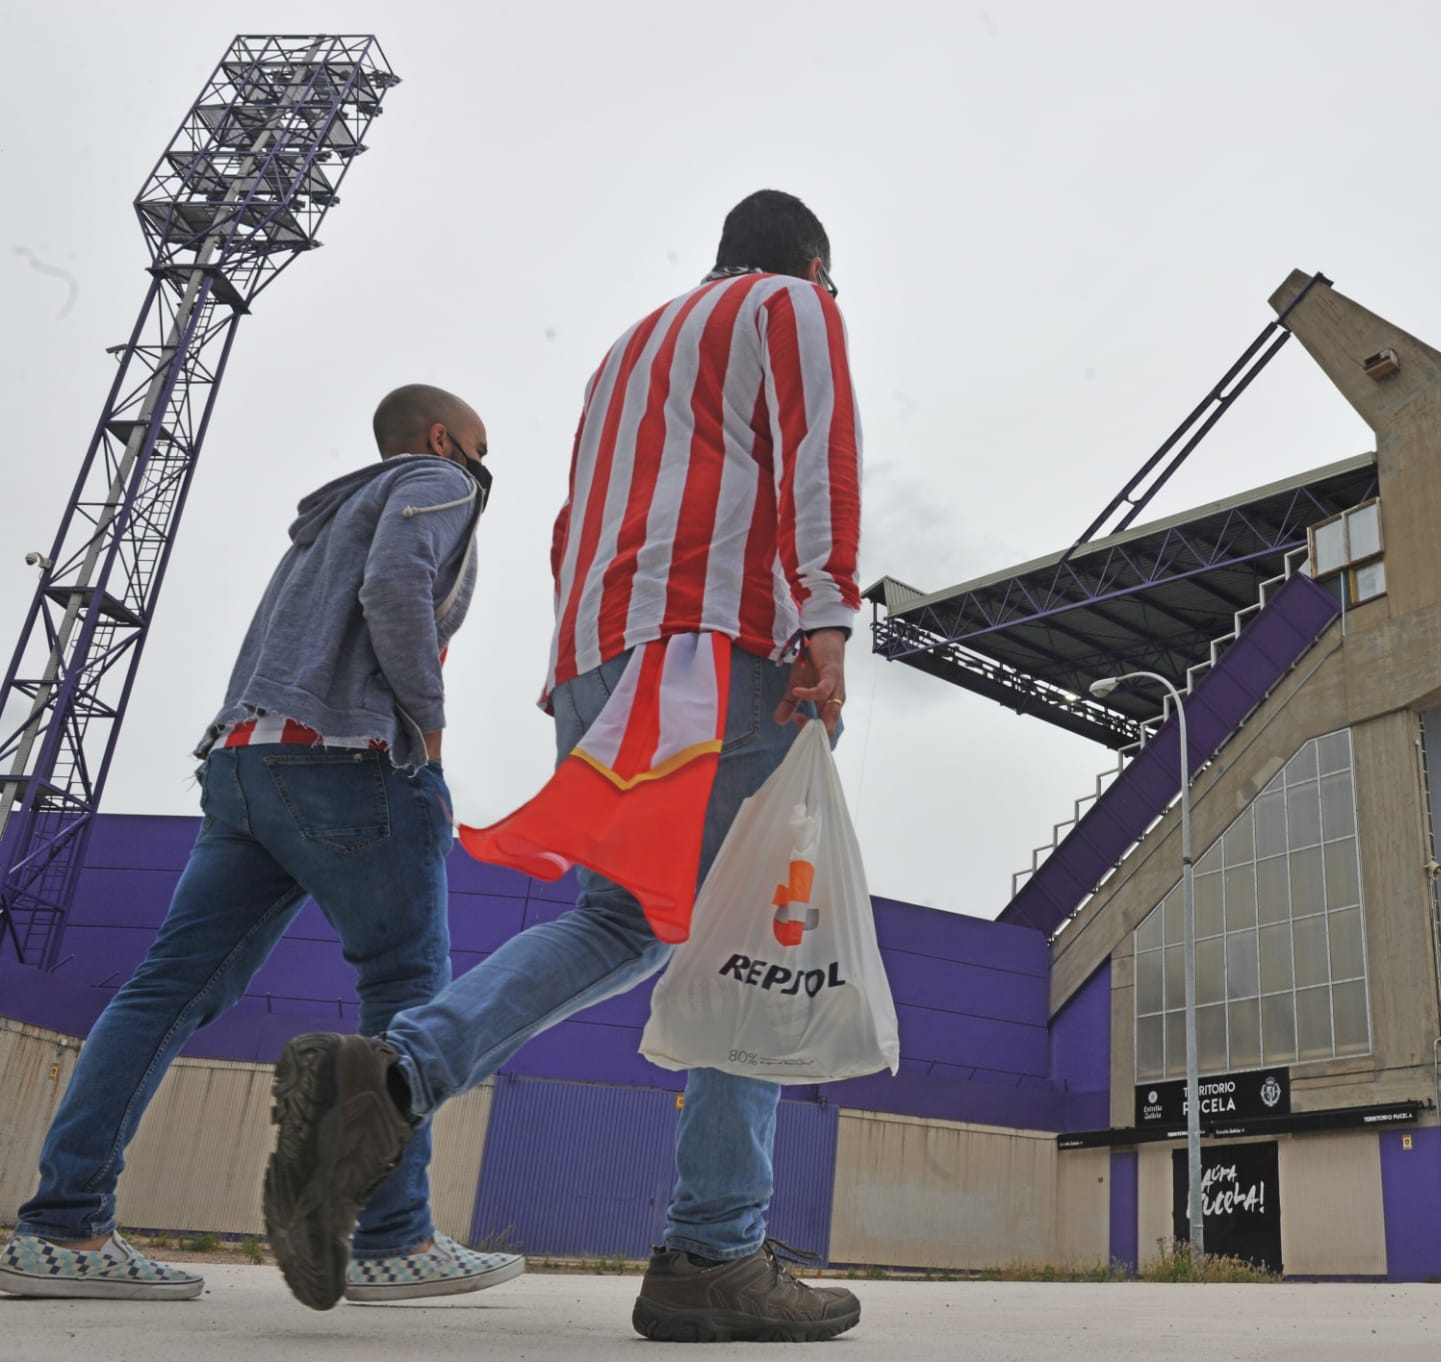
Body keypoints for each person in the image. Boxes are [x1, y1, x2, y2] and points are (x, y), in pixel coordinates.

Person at [263, 190, 865, 1342]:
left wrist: (577, 672)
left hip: (601, 652)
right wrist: (827, 618)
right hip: (716, 643)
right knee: (749, 935)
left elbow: (570, 517)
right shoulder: (793, 307)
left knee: (622, 923)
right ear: (808, 261)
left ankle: (388, 1078)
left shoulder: (626, 349)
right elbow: (818, 456)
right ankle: (716, 1249)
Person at [0, 386, 519, 1304]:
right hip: (348, 762)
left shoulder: (325, 519)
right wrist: (427, 738)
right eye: (483, 447)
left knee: (167, 988)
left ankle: (64, 1229)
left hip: (246, 761)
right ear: (442, 439)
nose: (485, 466)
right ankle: (393, 1239)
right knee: (407, 990)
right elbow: (396, 588)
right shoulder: (440, 481)